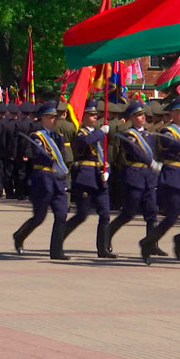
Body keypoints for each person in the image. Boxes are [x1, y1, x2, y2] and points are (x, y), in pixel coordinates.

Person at [139, 96, 180, 270]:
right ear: (174, 114)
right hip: (174, 179)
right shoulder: (167, 131)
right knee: (171, 217)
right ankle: (148, 242)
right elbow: (172, 144)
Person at [13, 101, 70, 260]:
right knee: (39, 217)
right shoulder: (36, 136)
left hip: (57, 180)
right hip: (43, 180)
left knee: (61, 214)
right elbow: (37, 155)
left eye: (54, 117)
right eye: (50, 117)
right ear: (42, 118)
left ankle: (56, 251)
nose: (53, 120)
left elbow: (63, 157)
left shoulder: (58, 137)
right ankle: (20, 235)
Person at [107, 100, 165, 257]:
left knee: (152, 212)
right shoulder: (128, 135)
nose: (142, 117)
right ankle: (107, 236)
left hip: (149, 177)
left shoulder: (149, 134)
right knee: (129, 212)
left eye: (143, 115)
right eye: (139, 115)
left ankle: (152, 244)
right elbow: (136, 152)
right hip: (135, 176)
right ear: (132, 118)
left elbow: (155, 151)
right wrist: (151, 162)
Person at [63, 99, 112, 257]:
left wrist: (107, 171)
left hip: (99, 178)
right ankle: (60, 236)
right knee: (82, 214)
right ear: (83, 117)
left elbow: (104, 156)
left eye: (95, 115)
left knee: (105, 214)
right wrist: (101, 132)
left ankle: (103, 249)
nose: (94, 118)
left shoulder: (98, 134)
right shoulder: (81, 133)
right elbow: (85, 142)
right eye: (91, 115)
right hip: (86, 178)